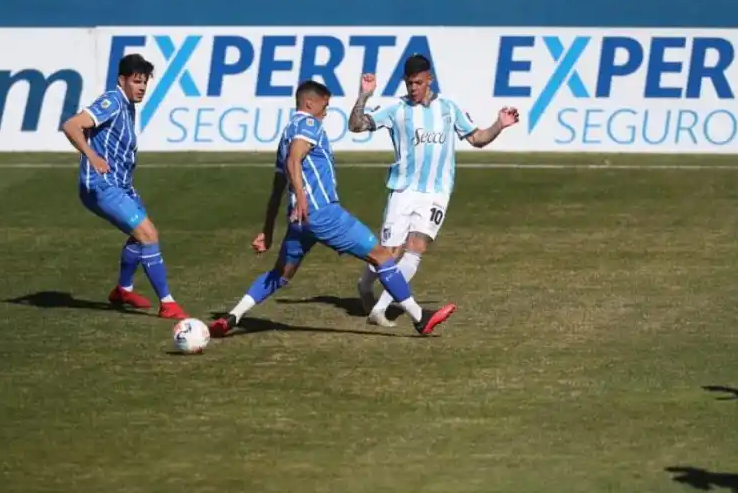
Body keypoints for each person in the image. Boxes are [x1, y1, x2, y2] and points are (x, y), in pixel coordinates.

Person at [208, 79, 457, 338]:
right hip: (322, 213)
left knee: (281, 275)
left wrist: (268, 230)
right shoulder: (308, 124)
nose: (326, 111)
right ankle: (420, 318)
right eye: (324, 105)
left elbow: (276, 189)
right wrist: (304, 198)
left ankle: (232, 316)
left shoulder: (285, 134)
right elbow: (295, 159)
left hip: (299, 221)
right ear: (309, 103)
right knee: (382, 256)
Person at [347, 55, 520, 327]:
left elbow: (477, 139)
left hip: (436, 192)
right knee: (389, 254)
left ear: (430, 79)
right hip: (403, 190)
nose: (413, 88)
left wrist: (500, 124)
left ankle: (380, 308)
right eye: (409, 83)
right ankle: (364, 285)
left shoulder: (449, 109)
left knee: (416, 248)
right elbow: (356, 126)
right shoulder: (396, 110)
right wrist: (363, 96)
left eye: (418, 82)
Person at [61, 53, 188, 320]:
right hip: (102, 186)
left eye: (144, 82)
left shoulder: (127, 105)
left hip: (121, 185)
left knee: (141, 234)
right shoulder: (113, 101)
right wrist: (91, 155)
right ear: (123, 80)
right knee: (148, 235)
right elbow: (71, 125)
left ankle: (123, 290)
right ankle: (167, 303)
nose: (141, 87)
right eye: (136, 81)